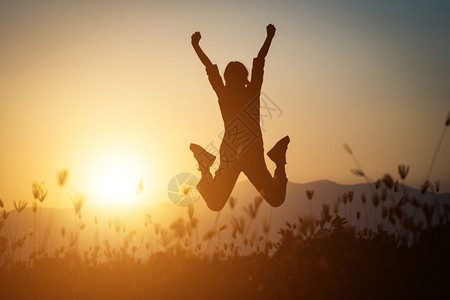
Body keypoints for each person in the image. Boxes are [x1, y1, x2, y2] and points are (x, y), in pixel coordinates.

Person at [190, 24, 290, 211]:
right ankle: (278, 159)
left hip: (232, 154)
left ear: (227, 78)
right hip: (252, 153)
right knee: (276, 199)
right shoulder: (251, 93)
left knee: (215, 204)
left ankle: (204, 165)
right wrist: (269, 37)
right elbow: (260, 61)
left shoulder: (224, 94)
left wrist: (196, 46)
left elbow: (210, 68)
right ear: (245, 77)